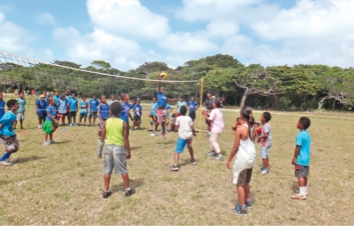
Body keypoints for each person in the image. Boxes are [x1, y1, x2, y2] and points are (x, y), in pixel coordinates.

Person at [96, 102, 134, 198]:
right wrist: (128, 151)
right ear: (120, 111)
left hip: (108, 147)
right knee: (123, 169)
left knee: (107, 169)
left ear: (110, 111)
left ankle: (106, 191)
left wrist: (99, 152)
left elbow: (102, 138)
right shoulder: (123, 123)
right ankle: (128, 189)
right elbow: (126, 139)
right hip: (119, 148)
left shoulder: (106, 122)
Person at [226, 107, 256, 215]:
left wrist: (229, 159)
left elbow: (235, 147)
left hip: (243, 159)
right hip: (251, 158)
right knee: (246, 181)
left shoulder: (241, 129)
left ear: (241, 116)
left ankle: (242, 208)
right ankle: (248, 201)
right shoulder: (254, 127)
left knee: (239, 183)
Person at [170, 106, 197, 171]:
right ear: (186, 111)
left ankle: (175, 165)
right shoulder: (189, 118)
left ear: (180, 112)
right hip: (189, 136)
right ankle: (193, 160)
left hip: (182, 137)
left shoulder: (178, 118)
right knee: (189, 147)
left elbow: (176, 129)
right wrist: (194, 133)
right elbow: (192, 127)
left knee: (177, 151)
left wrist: (175, 129)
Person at [291, 117, 311, 200]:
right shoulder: (307, 134)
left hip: (300, 159)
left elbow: (298, 147)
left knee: (300, 176)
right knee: (304, 175)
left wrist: (294, 158)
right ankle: (304, 190)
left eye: (298, 122)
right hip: (306, 158)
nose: (297, 123)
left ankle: (302, 194)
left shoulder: (299, 135)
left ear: (301, 125)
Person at [0, 99, 20, 166]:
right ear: (12, 106)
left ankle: (6, 158)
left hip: (10, 133)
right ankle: (1, 160)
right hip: (5, 134)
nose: (18, 105)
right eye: (16, 104)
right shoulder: (8, 114)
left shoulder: (14, 114)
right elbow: (1, 123)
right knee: (12, 147)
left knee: (16, 147)